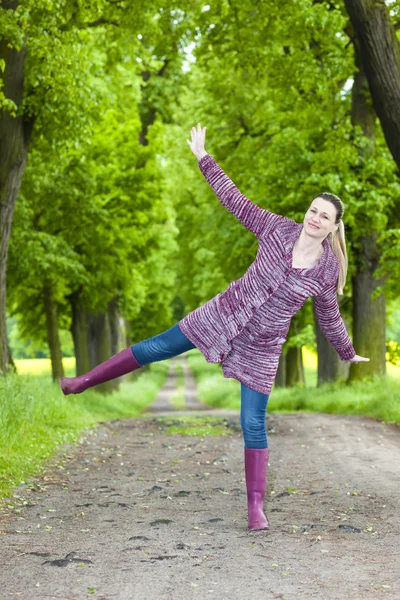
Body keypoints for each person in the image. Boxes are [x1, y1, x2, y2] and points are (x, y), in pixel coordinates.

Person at [59, 122, 370, 531]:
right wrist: (204, 158)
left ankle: (256, 508)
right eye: (312, 210)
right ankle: (84, 381)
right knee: (156, 348)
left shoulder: (327, 271)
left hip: (263, 345)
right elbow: (235, 200)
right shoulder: (277, 229)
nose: (314, 217)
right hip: (223, 314)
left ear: (334, 227)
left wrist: (347, 352)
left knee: (252, 422)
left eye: (324, 215)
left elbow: (329, 318)